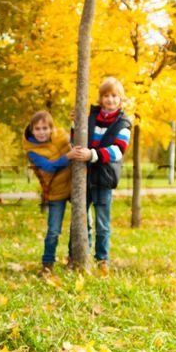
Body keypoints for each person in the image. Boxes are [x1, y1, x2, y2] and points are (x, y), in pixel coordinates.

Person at [67, 76, 131, 273]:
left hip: (104, 178)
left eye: (114, 96)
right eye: (106, 96)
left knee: (102, 223)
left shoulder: (124, 123)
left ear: (120, 100)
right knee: (80, 219)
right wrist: (75, 125)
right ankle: (74, 256)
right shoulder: (90, 117)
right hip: (83, 176)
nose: (110, 100)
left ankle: (102, 259)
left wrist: (92, 154)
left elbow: (118, 150)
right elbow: (76, 139)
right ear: (101, 98)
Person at [23, 110, 71, 274]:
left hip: (74, 186)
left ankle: (74, 259)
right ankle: (47, 263)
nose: (42, 132)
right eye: (37, 129)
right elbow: (49, 167)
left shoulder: (61, 137)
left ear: (52, 128)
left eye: (45, 128)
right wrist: (68, 157)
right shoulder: (32, 151)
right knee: (53, 230)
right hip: (55, 191)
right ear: (32, 130)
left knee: (83, 226)